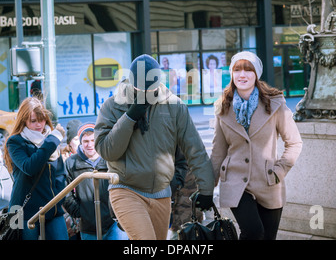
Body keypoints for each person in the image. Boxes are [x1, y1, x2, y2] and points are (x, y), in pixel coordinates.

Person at [94, 54, 215, 240]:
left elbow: (195, 150)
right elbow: (107, 151)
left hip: (162, 194)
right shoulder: (112, 106)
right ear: (131, 82)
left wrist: (206, 189)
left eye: (151, 87)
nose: (146, 92)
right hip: (126, 189)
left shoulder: (174, 106)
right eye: (140, 87)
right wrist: (130, 117)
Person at [210, 51, 303, 240]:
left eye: (248, 69)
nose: (242, 74)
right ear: (232, 73)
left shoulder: (275, 104)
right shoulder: (223, 107)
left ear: (256, 74)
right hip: (235, 182)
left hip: (268, 181)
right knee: (253, 232)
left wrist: (278, 171)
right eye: (237, 69)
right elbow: (218, 152)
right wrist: (206, 187)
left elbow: (294, 143)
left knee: (267, 237)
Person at [3, 97, 68, 240]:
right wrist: (52, 141)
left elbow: (60, 174)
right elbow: (30, 167)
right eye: (33, 121)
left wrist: (59, 200)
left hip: (52, 208)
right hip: (24, 211)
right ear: (24, 121)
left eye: (42, 119)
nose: (39, 124)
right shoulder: (15, 141)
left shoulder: (51, 139)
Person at [63, 123, 128, 240]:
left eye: (93, 140)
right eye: (86, 141)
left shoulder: (110, 157)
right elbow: (64, 192)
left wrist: (117, 210)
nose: (90, 144)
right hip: (88, 226)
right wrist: (80, 212)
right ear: (81, 143)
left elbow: (125, 183)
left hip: (114, 223)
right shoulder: (71, 163)